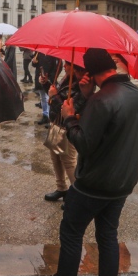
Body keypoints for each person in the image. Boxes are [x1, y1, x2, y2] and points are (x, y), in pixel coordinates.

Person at [22, 48, 138, 276]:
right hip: (122, 182)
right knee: (107, 237)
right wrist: (89, 97)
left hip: (94, 184)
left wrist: (68, 116)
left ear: (89, 72)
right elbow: (111, 130)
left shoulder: (103, 100)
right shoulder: (135, 93)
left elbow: (84, 143)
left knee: (71, 234)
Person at [43, 61, 88, 205]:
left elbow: (72, 108)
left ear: (77, 68)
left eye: (68, 64)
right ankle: (61, 188)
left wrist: (55, 96)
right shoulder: (65, 79)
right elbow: (56, 97)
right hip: (56, 125)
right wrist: (47, 84)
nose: (64, 66)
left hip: (68, 128)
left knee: (68, 162)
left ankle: (77, 196)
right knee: (55, 158)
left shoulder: (82, 86)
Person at [32, 53, 60, 127]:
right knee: (42, 98)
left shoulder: (54, 53)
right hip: (40, 78)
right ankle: (45, 115)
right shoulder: (38, 51)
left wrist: (51, 79)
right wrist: (33, 61)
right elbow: (35, 64)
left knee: (49, 98)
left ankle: (50, 118)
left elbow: (57, 68)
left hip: (49, 79)